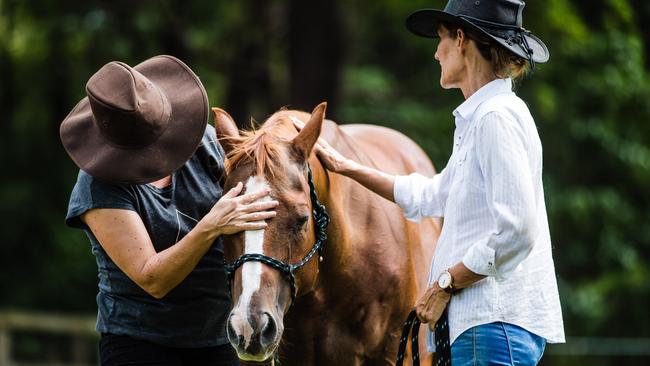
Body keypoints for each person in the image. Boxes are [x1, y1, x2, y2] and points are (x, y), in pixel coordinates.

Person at [293, 0, 565, 364]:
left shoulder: (494, 120)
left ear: (462, 40)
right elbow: (430, 195)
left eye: (441, 40)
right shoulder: (480, 119)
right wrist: (346, 167)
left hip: (492, 326)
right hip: (483, 328)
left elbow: (517, 231)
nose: (437, 53)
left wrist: (445, 283)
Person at [60, 55, 278, 366]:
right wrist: (211, 226)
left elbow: (256, 200)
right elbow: (153, 280)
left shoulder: (203, 143)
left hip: (218, 336)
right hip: (140, 343)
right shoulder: (98, 186)